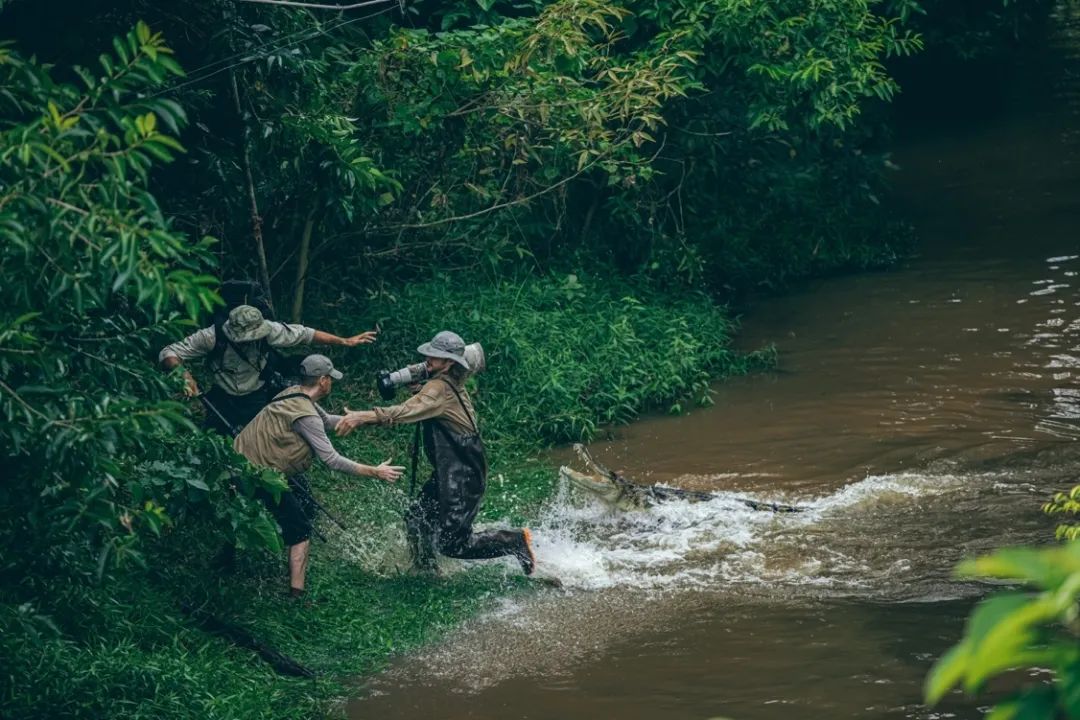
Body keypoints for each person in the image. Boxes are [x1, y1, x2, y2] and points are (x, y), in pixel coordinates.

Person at [336, 331, 536, 576]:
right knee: (417, 520)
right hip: (451, 468)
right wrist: (420, 389)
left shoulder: (438, 388)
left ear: (449, 362)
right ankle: (427, 571)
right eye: (429, 353)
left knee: (453, 543)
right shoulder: (447, 378)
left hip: (463, 471)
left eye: (435, 356)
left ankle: (514, 541)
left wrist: (360, 417)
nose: (428, 358)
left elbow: (402, 412)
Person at [234, 354, 404, 597]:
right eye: (331, 379)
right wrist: (375, 471)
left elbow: (328, 422)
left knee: (302, 506)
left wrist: (366, 419)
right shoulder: (306, 414)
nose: (331, 383)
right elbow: (332, 460)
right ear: (323, 381)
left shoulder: (294, 393)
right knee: (301, 530)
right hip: (259, 476)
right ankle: (296, 596)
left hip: (243, 465)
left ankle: (239, 554)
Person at [159, 304, 376, 433]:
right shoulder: (211, 336)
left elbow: (305, 334)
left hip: (257, 395)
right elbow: (168, 353)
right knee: (215, 444)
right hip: (221, 398)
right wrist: (183, 375)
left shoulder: (269, 331)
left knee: (264, 441)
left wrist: (344, 341)